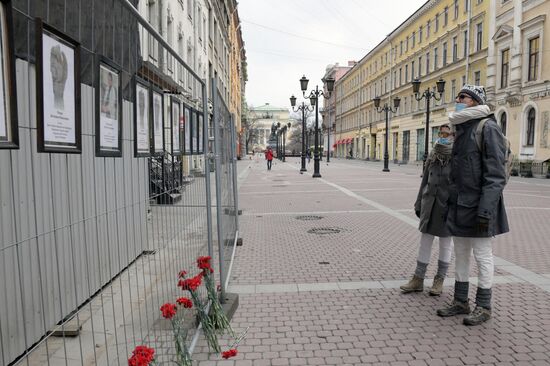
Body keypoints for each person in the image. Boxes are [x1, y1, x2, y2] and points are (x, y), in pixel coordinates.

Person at [437, 85, 509, 326]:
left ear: (476, 101)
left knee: (483, 256)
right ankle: (460, 301)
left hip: (479, 206)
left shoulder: (486, 127)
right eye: (457, 96)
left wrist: (486, 210)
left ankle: (484, 305)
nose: (458, 100)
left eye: (463, 97)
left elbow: (496, 174)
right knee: (461, 254)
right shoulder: (462, 128)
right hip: (459, 205)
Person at [401, 125, 454, 296]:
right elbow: (424, 181)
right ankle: (418, 279)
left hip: (446, 206)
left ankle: (439, 280)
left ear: (454, 136)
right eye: (441, 133)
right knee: (425, 241)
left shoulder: (457, 156)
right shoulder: (433, 154)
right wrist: (418, 203)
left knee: (445, 244)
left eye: (447, 133)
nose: (443, 136)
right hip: (429, 204)